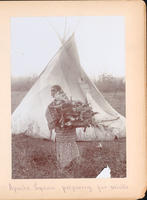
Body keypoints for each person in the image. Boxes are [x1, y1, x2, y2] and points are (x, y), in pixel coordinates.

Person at [45, 85, 80, 177]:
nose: (52, 93)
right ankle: (67, 165)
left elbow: (74, 112)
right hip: (63, 129)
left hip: (67, 129)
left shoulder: (64, 102)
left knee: (68, 144)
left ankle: (69, 164)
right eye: (53, 92)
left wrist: (70, 120)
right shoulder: (55, 104)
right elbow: (50, 114)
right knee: (65, 145)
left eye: (54, 91)